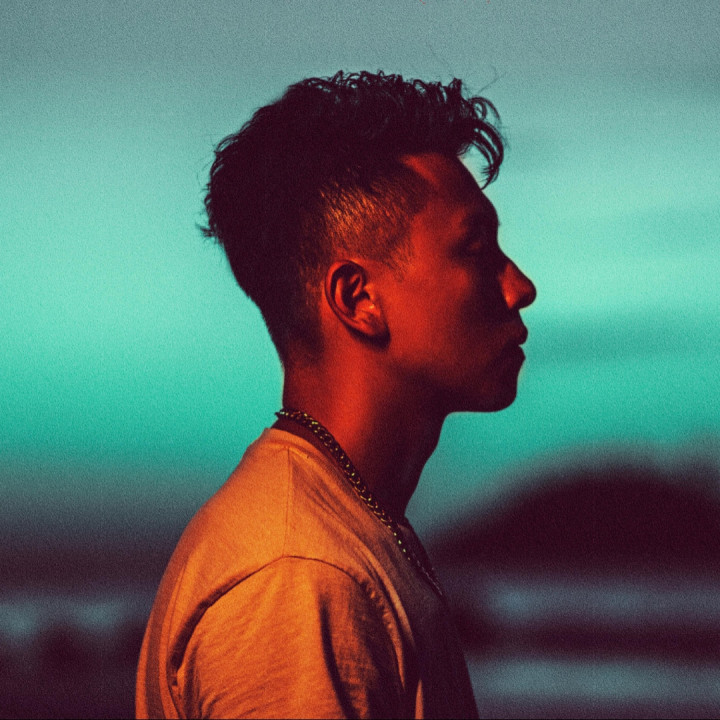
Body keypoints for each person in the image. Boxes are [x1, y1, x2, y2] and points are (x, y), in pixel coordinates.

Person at [136, 70, 536, 719]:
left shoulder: (346, 533)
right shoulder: (301, 579)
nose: (520, 287)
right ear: (359, 299)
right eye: (476, 250)